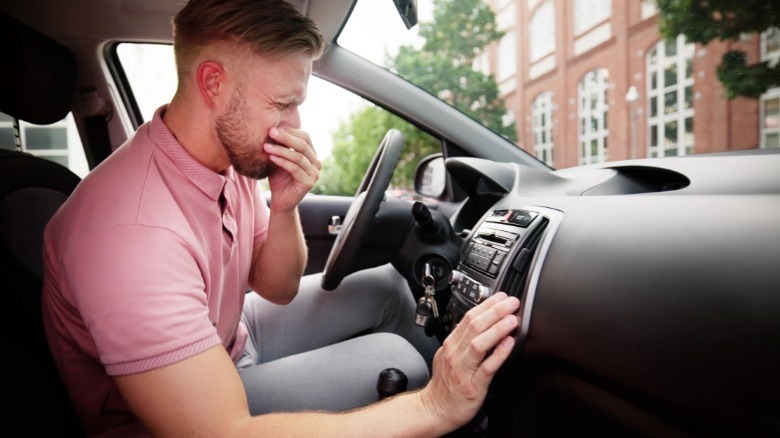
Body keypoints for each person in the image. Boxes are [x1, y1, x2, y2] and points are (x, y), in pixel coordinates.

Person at [41, 0, 521, 436]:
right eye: (282, 104)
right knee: (397, 363)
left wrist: (286, 204)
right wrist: (435, 405)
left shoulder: (227, 161)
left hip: (226, 337)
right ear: (212, 83)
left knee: (386, 288)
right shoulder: (131, 233)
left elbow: (277, 287)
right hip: (183, 414)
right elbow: (221, 432)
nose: (294, 126)